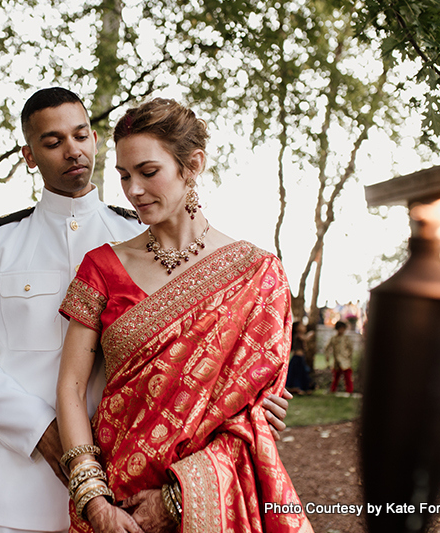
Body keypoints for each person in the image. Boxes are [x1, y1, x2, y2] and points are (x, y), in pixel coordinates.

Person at [0, 88, 292, 533]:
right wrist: (39, 429)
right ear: (29, 155)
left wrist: (254, 411)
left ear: (96, 139)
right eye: (53, 142)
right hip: (20, 484)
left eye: (81, 135)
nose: (72, 150)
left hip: (134, 477)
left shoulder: (136, 228)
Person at [56, 98, 312, 533]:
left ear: (192, 165)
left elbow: (252, 417)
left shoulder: (257, 274)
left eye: (148, 172)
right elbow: (70, 386)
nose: (134, 190)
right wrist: (93, 498)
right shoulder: (100, 267)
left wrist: (176, 498)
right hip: (116, 505)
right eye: (123, 176)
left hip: (213, 501)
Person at [324, 320, 354, 394]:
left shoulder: (346, 338)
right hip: (337, 360)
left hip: (345, 360)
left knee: (347, 376)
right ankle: (333, 389)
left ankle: (349, 390)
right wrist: (327, 356)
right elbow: (327, 347)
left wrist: (348, 356)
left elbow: (350, 348)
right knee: (336, 376)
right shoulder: (334, 338)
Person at [286, 321, 314, 395]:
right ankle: (296, 388)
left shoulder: (300, 335)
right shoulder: (298, 335)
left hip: (300, 357)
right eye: (301, 325)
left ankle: (304, 388)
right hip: (297, 357)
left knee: (302, 373)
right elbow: (305, 338)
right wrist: (310, 334)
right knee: (296, 373)